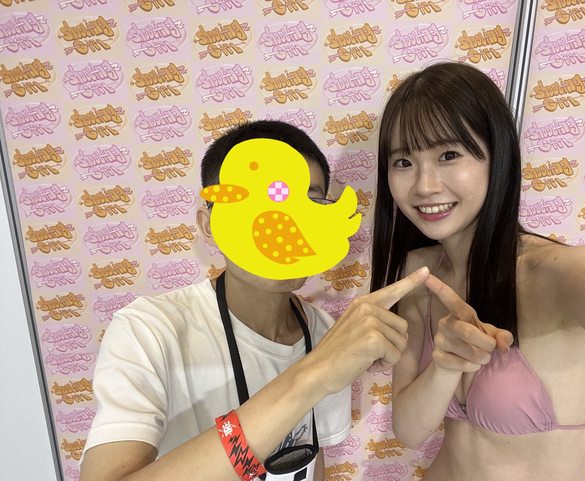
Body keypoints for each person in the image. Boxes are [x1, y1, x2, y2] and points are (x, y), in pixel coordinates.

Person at [80, 120, 430, 481]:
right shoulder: (149, 331)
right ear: (209, 224)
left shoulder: (325, 334)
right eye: (259, 201)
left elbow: (312, 460)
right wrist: (314, 373)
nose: (285, 223)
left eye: (311, 203)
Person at [370, 62, 585, 481]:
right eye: (403, 161)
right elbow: (409, 430)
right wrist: (445, 365)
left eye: (448, 155)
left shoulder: (553, 273)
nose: (424, 186)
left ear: (498, 157)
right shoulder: (420, 273)